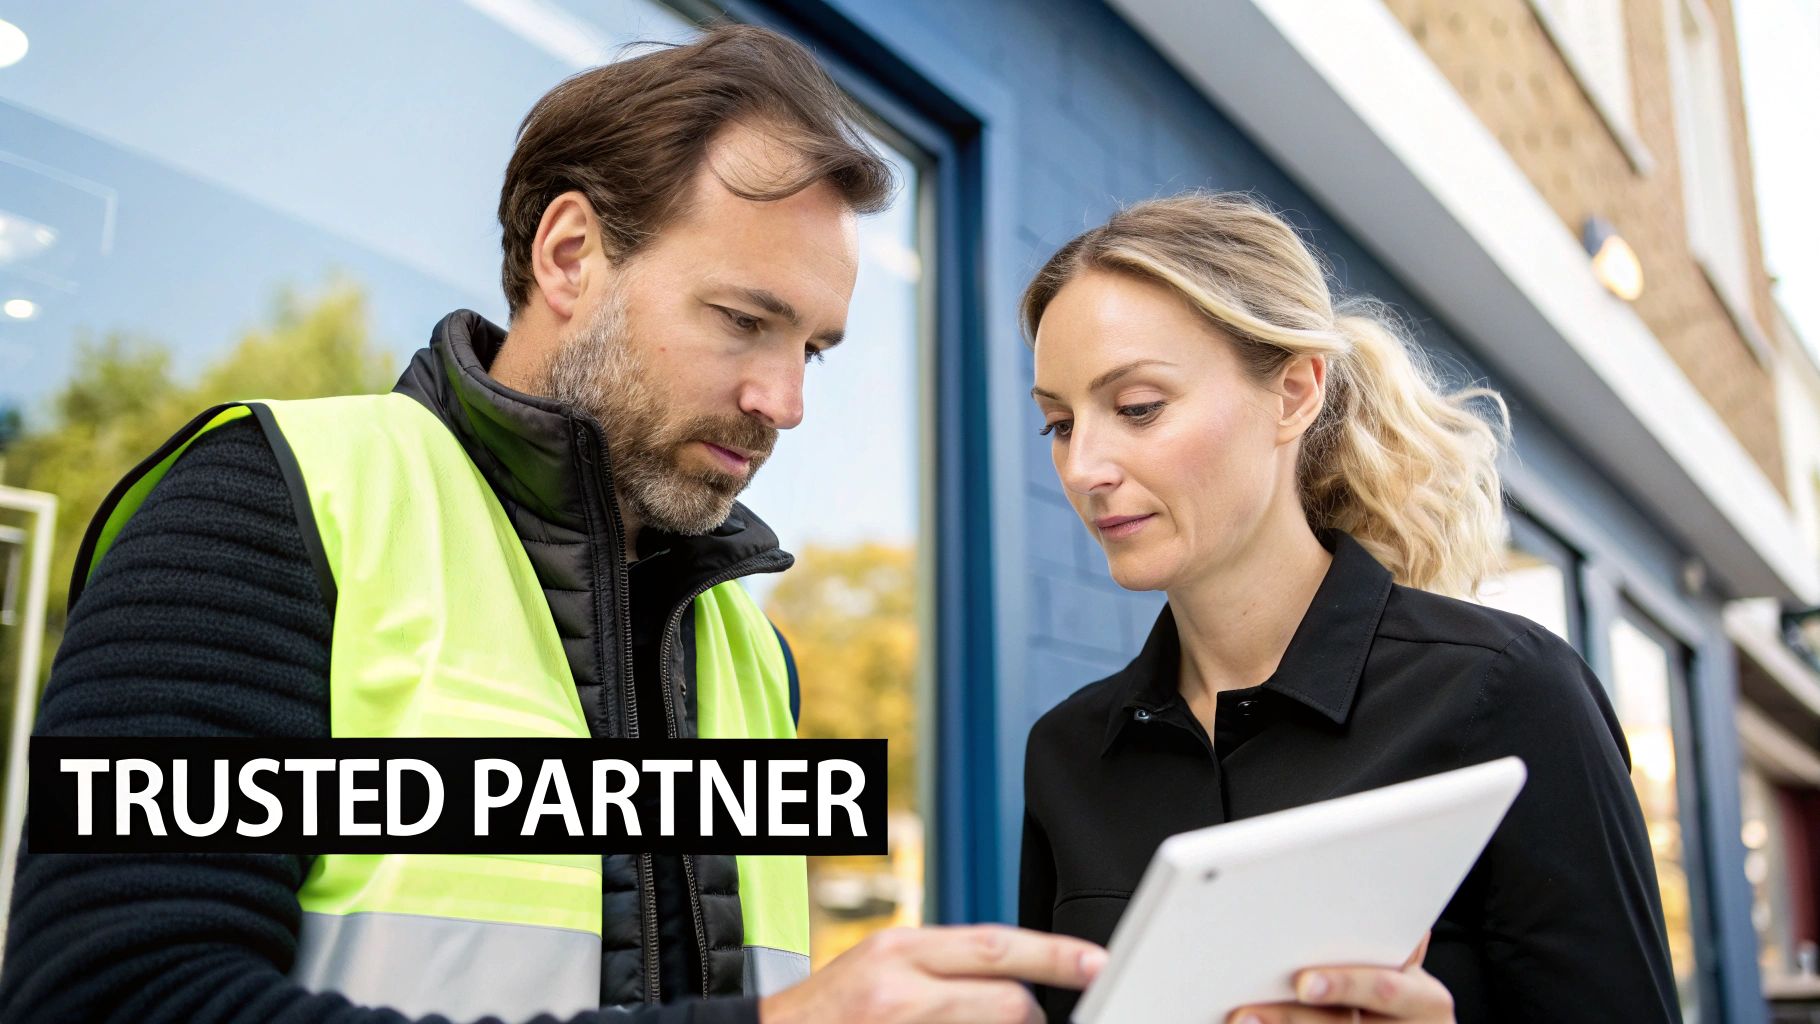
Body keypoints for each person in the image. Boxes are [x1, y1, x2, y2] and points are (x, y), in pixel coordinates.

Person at [0, 24, 1105, 1024]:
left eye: (810, 347)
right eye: (741, 320)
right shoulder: (267, 501)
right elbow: (109, 995)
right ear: (570, 254)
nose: (786, 401)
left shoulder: (753, 654)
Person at [1018, 193, 1681, 1024]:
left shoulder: (1508, 695)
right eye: (1057, 423)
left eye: (1139, 408)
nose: (1084, 466)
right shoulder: (1068, 754)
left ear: (1295, 393)